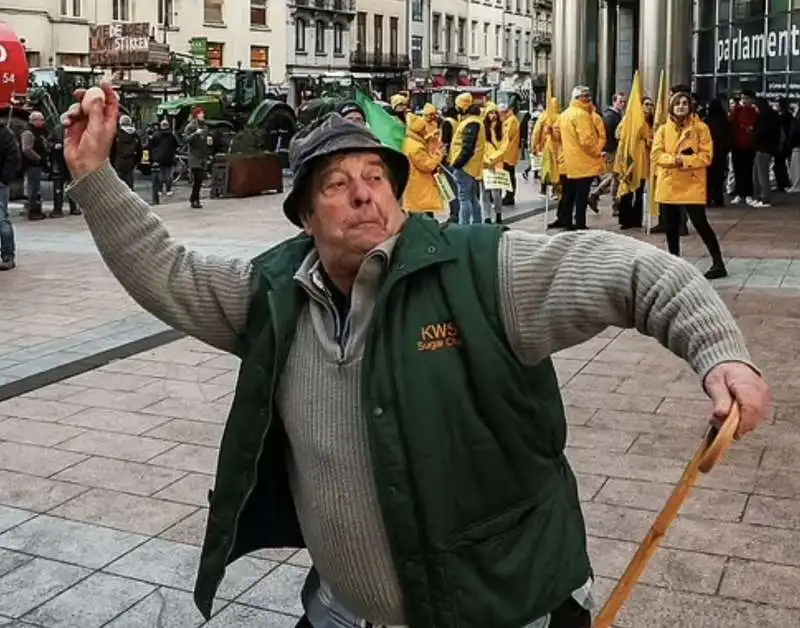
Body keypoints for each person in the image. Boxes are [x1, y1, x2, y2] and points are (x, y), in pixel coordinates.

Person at [63, 85, 770, 628]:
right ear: (306, 218)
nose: (364, 192)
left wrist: (719, 354)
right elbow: (164, 268)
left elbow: (636, 273)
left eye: (376, 175)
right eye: (336, 184)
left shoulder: (484, 270)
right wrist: (93, 173)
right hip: (344, 611)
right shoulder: (274, 295)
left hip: (504, 609)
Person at [652, 89, 727, 279]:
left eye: (685, 103)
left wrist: (686, 161)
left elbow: (706, 156)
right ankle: (674, 262)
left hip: (692, 182)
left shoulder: (700, 128)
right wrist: (675, 160)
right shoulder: (662, 129)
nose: (681, 107)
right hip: (669, 182)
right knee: (671, 225)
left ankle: (718, 262)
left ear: (690, 106)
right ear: (671, 106)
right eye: (677, 103)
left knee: (700, 223)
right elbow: (656, 155)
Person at [552, 85, 605, 230]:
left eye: (588, 95)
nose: (588, 98)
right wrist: (596, 152)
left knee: (569, 195)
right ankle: (580, 224)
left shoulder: (564, 115)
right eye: (585, 96)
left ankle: (567, 222)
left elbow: (557, 136)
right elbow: (586, 141)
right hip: (583, 163)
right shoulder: (582, 115)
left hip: (569, 162)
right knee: (581, 196)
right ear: (577, 98)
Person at [449, 92, 486, 224]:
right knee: (471, 198)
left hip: (466, 166)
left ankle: (463, 226)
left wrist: (458, 164)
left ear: (464, 107)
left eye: (458, 106)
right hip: (471, 166)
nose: (456, 108)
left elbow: (467, 148)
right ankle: (477, 223)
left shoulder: (471, 123)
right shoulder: (474, 121)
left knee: (463, 198)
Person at [588, 92, 626, 213]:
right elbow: (608, 135)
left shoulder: (614, 115)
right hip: (611, 151)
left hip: (612, 150)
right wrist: (606, 150)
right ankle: (612, 202)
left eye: (624, 102)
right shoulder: (611, 116)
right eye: (620, 101)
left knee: (615, 176)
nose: (623, 104)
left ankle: (597, 195)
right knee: (616, 176)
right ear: (614, 101)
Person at [401, 115, 444, 217]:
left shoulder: (409, 142)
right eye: (423, 129)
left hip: (414, 184)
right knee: (425, 216)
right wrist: (438, 155)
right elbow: (427, 165)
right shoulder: (416, 147)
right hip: (420, 185)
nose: (425, 130)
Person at [750, 97, 781, 208]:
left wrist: (753, 134)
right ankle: (760, 197)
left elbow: (762, 132)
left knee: (762, 175)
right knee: (758, 174)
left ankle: (765, 198)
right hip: (764, 147)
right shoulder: (771, 116)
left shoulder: (765, 118)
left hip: (764, 148)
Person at [729, 90, 758, 204]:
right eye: (742, 98)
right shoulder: (737, 110)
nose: (744, 100)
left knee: (748, 171)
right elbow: (731, 122)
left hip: (750, 146)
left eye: (746, 98)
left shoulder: (755, 111)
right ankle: (739, 193)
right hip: (737, 145)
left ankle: (748, 194)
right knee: (737, 170)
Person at [19, 111, 49, 220]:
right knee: (33, 188)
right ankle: (33, 211)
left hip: (36, 164)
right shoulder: (28, 132)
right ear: (34, 121)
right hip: (32, 164)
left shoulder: (38, 131)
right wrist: (38, 158)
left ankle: (36, 210)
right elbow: (26, 149)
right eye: (41, 120)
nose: (43, 122)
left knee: (35, 187)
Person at [0, 120, 21, 270]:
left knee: (2, 220)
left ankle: (8, 256)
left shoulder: (5, 134)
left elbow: (13, 157)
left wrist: (3, 179)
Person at [482, 102, 507, 224]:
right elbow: (480, 146)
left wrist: (493, 159)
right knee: (485, 192)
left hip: (497, 164)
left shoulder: (502, 129)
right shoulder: (483, 129)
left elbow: (504, 147)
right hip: (485, 164)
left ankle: (498, 214)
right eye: (490, 113)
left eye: (494, 112)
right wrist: (486, 160)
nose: (493, 115)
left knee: (496, 192)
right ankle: (486, 216)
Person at [704, 99, 731, 207]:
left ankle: (707, 199)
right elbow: (728, 138)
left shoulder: (707, 121)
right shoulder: (724, 121)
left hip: (709, 152)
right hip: (720, 153)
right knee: (719, 177)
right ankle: (718, 198)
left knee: (708, 178)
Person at [184, 107, 211, 209]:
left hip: (203, 156)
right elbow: (186, 139)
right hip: (194, 157)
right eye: (200, 113)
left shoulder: (205, 126)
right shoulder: (191, 126)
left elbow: (205, 138)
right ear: (196, 115)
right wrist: (195, 134)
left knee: (199, 180)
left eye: (202, 113)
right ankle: (194, 200)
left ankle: (195, 199)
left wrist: (208, 140)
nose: (202, 115)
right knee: (197, 178)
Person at [148, 119, 179, 202]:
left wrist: (152, 156)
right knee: (168, 174)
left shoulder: (156, 135)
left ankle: (160, 190)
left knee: (160, 174)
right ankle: (168, 190)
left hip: (158, 157)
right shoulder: (172, 135)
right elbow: (176, 144)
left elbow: (151, 146)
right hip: (169, 157)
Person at [110, 114, 142, 190]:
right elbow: (139, 150)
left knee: (118, 183)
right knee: (129, 180)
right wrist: (137, 161)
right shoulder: (135, 136)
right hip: (130, 161)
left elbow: (112, 149)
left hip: (118, 161)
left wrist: (112, 161)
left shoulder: (117, 135)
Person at [500, 103, 521, 206]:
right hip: (507, 152)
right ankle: (508, 195)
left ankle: (510, 196)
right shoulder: (509, 120)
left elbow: (507, 136)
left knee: (509, 175)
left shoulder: (511, 120)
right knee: (508, 174)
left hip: (509, 152)